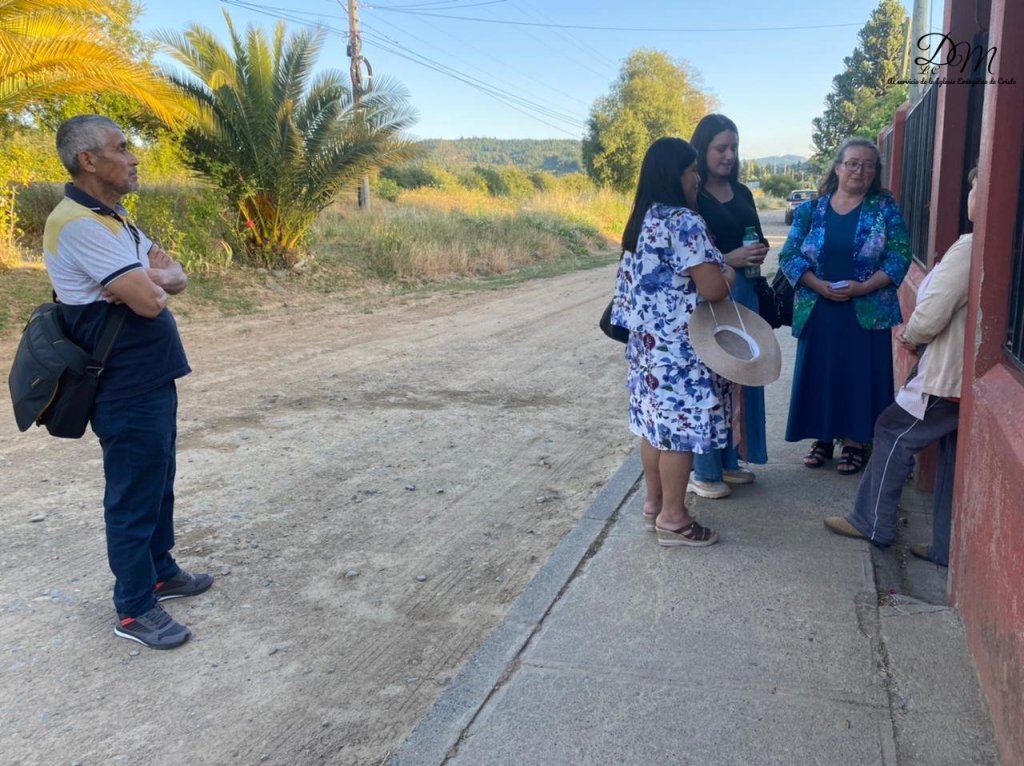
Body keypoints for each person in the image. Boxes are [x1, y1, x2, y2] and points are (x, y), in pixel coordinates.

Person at [43, 115, 212, 649]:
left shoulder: (114, 219)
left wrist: (151, 278)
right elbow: (150, 301)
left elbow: (176, 277)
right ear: (88, 160)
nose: (134, 157)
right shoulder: (79, 225)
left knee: (158, 479)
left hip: (150, 376)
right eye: (121, 148)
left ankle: (161, 572)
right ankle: (135, 609)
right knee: (133, 493)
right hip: (122, 385)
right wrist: (148, 283)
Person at [824, 168, 979, 566]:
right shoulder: (996, 246)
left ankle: (872, 521)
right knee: (949, 457)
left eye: (975, 185)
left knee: (893, 430)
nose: (971, 192)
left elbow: (934, 309)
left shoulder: (970, 247)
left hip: (948, 374)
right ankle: (945, 546)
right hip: (967, 374)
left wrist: (911, 337)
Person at [610, 137, 735, 547]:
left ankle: (654, 506)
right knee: (679, 434)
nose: (697, 178)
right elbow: (713, 288)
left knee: (653, 430)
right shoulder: (683, 221)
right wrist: (729, 273)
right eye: (692, 170)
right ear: (675, 175)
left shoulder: (641, 220)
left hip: (647, 350)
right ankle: (674, 518)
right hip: (681, 350)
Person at [779, 137, 912, 475]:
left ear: (876, 172)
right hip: (818, 308)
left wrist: (864, 287)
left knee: (859, 377)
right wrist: (817, 285)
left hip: (867, 310)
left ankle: (855, 443)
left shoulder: (884, 208)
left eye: (868, 165)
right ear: (837, 168)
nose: (860, 171)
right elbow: (788, 255)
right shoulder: (811, 211)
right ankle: (823, 438)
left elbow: (900, 255)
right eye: (853, 163)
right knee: (822, 374)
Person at [687, 114, 769, 499]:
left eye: (733, 147)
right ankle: (703, 469)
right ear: (701, 150)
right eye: (720, 148)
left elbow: (756, 235)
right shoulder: (692, 196)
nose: (729, 155)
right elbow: (689, 256)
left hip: (746, 293)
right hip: (713, 297)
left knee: (741, 379)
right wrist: (729, 258)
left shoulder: (743, 192)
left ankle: (731, 460)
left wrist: (757, 251)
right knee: (713, 380)